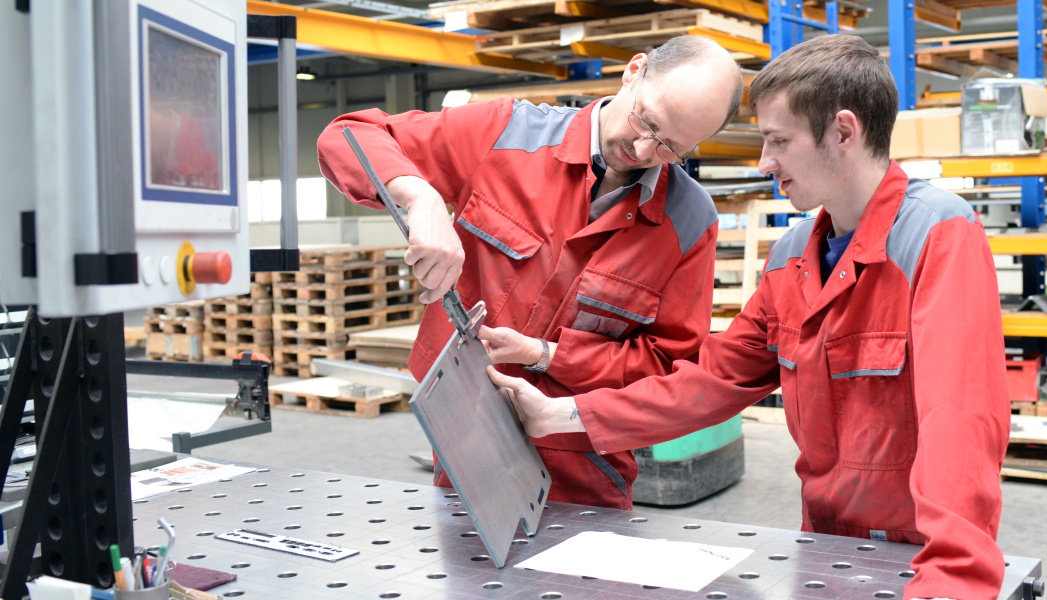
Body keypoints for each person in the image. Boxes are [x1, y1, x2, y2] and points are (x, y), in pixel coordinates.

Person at [489, 34, 1010, 600]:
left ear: (842, 131)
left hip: (920, 561)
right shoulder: (791, 260)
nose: (765, 164)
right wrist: (558, 415)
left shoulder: (936, 236)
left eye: (777, 142)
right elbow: (708, 384)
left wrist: (954, 582)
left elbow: (959, 422)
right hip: (828, 548)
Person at [316, 36, 744, 510]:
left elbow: (667, 366)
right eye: (646, 121)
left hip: (589, 466)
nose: (642, 149)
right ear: (634, 70)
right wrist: (420, 196)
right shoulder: (507, 134)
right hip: (467, 443)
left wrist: (546, 354)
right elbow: (347, 136)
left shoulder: (688, 220)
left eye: (670, 147)